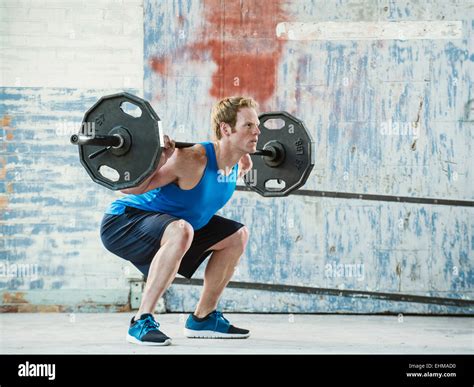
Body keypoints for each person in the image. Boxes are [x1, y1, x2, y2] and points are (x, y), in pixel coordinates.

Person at [100, 96, 260, 345]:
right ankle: (141, 321)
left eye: (257, 125)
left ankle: (203, 318)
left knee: (237, 236)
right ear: (226, 129)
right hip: (124, 222)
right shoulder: (192, 159)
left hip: (177, 226)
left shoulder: (240, 163)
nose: (257, 131)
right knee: (182, 230)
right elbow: (130, 188)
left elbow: (247, 165)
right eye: (248, 125)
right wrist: (160, 160)